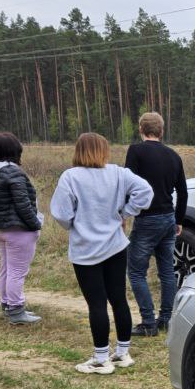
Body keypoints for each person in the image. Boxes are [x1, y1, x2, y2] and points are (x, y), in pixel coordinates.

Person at [49, 132, 153, 375]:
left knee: (96, 304)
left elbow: (61, 213)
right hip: (116, 245)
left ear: (79, 151)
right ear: (104, 150)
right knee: (118, 299)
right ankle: (123, 353)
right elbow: (146, 191)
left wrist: (75, 224)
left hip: (85, 250)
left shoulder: (70, 177)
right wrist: (124, 213)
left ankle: (100, 358)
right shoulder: (118, 173)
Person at [124, 112, 187, 336]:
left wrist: (123, 213)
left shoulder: (136, 151)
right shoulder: (173, 155)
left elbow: (127, 184)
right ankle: (167, 319)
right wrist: (178, 219)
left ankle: (148, 322)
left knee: (136, 271)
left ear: (141, 129)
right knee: (167, 272)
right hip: (168, 217)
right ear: (161, 130)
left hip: (146, 219)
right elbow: (183, 191)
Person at [0, 132, 43, 325]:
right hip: (19, 229)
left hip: (1, 228)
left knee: (7, 268)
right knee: (17, 271)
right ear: (15, 151)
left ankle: (8, 304)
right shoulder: (13, 172)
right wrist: (35, 224)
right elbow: (23, 204)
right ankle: (16, 310)